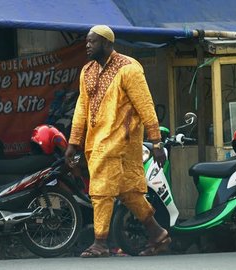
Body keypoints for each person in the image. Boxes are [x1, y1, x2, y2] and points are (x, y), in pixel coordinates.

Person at [65, 25, 169, 257]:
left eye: (93, 42)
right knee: (130, 192)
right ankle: (158, 234)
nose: (88, 45)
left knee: (101, 190)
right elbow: (82, 107)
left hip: (120, 141)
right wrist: (73, 142)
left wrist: (156, 142)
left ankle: (100, 243)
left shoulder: (129, 68)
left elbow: (145, 105)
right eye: (87, 41)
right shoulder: (87, 71)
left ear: (107, 44)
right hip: (97, 140)